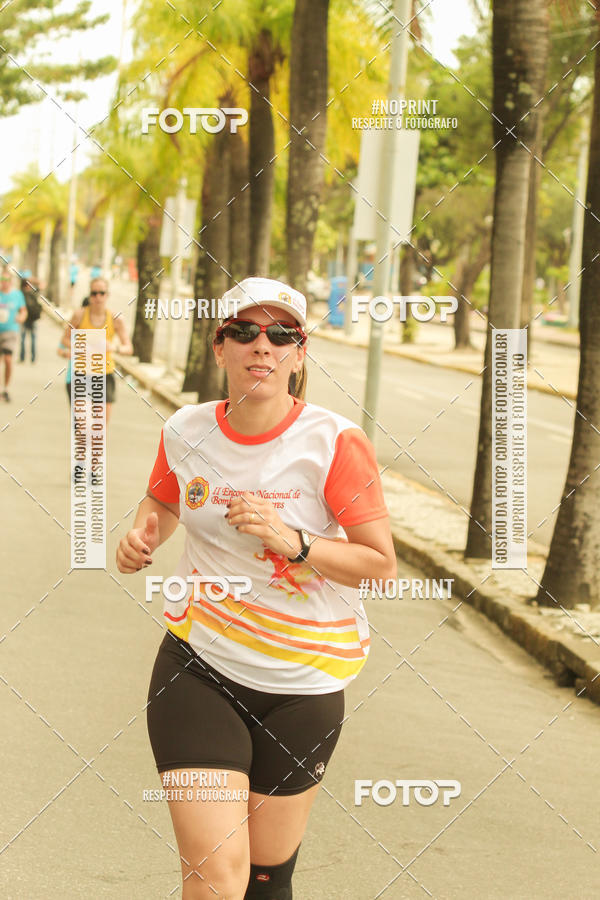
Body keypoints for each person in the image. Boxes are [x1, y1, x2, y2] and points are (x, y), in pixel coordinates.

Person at [116, 276, 397, 899]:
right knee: (217, 874)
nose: (261, 346)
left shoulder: (334, 443)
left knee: (267, 881)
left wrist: (292, 539)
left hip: (305, 686)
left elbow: (380, 564)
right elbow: (160, 506)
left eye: (281, 335)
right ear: (220, 347)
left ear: (299, 354)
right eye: (244, 332)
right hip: (199, 668)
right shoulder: (186, 430)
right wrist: (140, 538)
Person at [57, 276, 133, 426]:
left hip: (105, 373)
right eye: (94, 293)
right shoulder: (79, 315)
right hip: (81, 373)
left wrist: (114, 347)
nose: (98, 297)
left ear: (107, 295)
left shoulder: (115, 319)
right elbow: (64, 340)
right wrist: (79, 347)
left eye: (101, 293)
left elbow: (129, 348)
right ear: (90, 295)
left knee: (99, 427)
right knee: (82, 425)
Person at [0, 269, 27, 401]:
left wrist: (21, 317)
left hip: (10, 331)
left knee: (8, 360)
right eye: (2, 280)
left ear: (11, 282)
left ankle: (6, 388)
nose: (4, 283)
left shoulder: (17, 295)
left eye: (7, 280)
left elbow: (23, 310)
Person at [20, 276, 42, 363]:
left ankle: (22, 357)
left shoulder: (21, 293)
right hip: (32, 319)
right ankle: (33, 358)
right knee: (33, 339)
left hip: (25, 319)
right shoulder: (33, 292)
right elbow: (41, 284)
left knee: (23, 339)